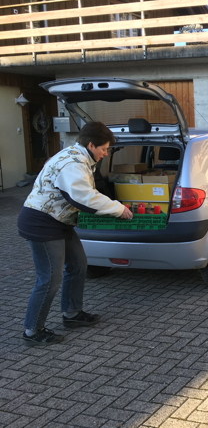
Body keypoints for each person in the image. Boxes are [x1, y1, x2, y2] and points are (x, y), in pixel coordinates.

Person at [17, 121, 133, 347]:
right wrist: (118, 208)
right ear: (91, 145)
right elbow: (83, 196)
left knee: (78, 264)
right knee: (49, 279)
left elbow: (85, 193)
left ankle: (72, 314)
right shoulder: (73, 163)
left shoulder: (80, 157)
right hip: (41, 223)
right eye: (103, 149)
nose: (105, 153)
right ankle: (32, 331)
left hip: (60, 221)